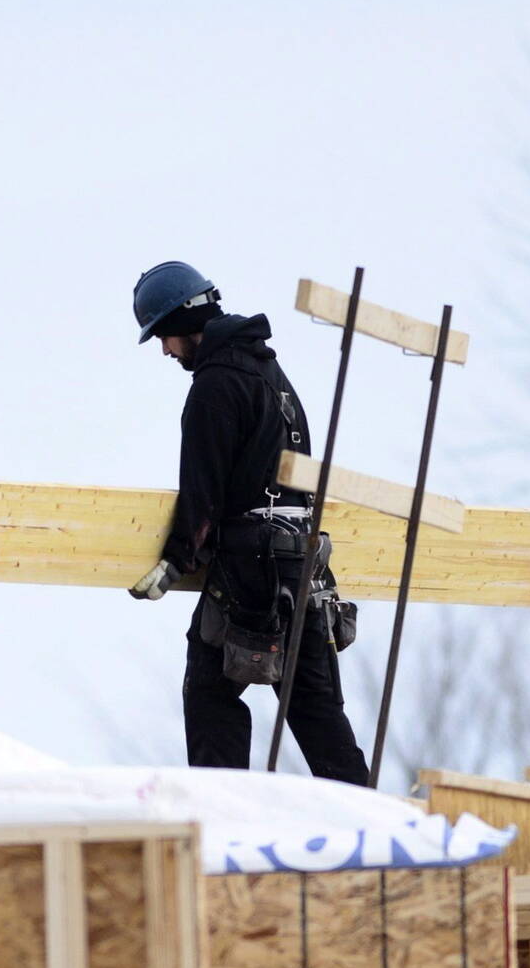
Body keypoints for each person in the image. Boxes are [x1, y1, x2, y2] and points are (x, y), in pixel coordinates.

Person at [125, 260, 370, 785]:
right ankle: (380, 826)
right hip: (301, 563)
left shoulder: (216, 385)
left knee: (210, 695)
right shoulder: (271, 374)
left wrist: (175, 561)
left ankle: (223, 818)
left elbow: (203, 490)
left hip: (248, 568)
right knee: (315, 709)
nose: (166, 352)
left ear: (184, 322)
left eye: (164, 337)